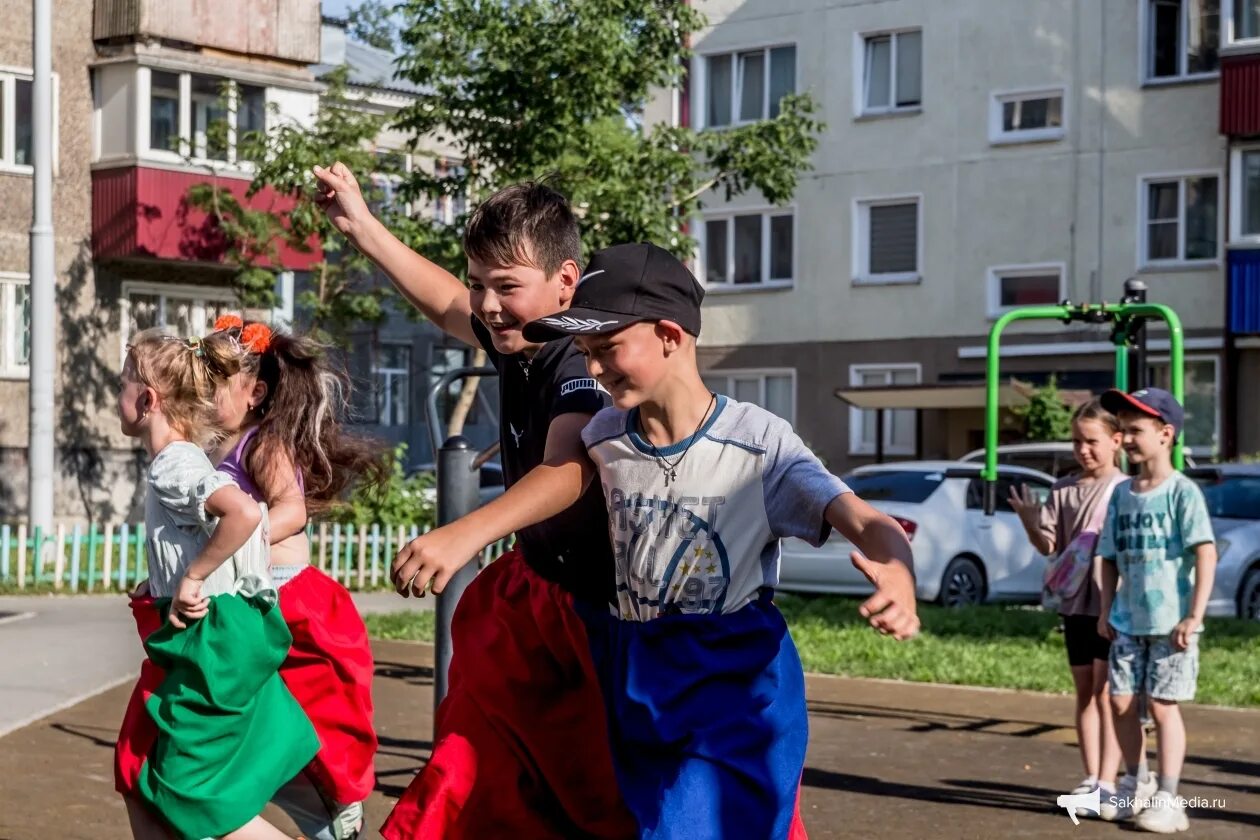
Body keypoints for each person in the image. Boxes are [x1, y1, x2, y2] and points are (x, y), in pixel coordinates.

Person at [394, 243, 919, 839]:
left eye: (608, 349)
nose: (594, 369)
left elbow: (863, 519)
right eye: (587, 353)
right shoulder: (606, 435)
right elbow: (560, 475)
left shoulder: (757, 445)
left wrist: (896, 571)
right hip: (640, 674)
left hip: (732, 682)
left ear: (670, 334)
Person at [312, 163, 637, 838]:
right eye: (480, 282)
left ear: (565, 283)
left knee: (603, 796)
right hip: (535, 598)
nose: (488, 304)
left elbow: (569, 467)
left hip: (601, 615)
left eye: (507, 287)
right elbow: (445, 303)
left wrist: (465, 534)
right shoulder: (517, 330)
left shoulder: (577, 357)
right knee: (470, 766)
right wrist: (366, 228)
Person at [114, 328, 318, 840]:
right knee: (140, 772)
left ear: (147, 399)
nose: (114, 396)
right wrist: (166, 576)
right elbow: (215, 529)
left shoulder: (174, 466)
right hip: (212, 640)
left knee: (188, 796)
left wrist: (193, 576)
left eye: (120, 385)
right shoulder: (184, 461)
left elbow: (244, 512)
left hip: (212, 644)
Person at [210, 315, 384, 840]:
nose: (203, 393)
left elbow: (292, 510)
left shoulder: (262, 444)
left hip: (287, 597)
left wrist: (243, 535)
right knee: (256, 719)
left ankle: (334, 806)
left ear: (254, 392)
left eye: (216, 384)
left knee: (306, 718)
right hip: (247, 595)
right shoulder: (213, 446)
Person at [1096, 387, 1216, 833]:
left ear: (1165, 434)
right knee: (1120, 701)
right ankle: (1136, 781)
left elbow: (1205, 554)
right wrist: (1106, 607)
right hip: (1127, 619)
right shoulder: (1122, 493)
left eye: (1135, 430)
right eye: (1122, 430)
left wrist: (1194, 615)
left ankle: (1169, 797)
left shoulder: (1182, 493)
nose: (1126, 439)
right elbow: (1107, 556)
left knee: (1163, 707)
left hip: (1171, 624)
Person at [1009, 400, 1127, 812]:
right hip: (1076, 604)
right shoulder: (1063, 490)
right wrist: (1028, 519)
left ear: (1116, 441)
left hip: (1114, 605)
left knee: (1108, 692)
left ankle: (1110, 781)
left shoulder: (1125, 489)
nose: (1083, 450)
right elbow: (1050, 546)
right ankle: (1092, 775)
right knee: (1084, 692)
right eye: (1077, 441)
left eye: (1091, 441)